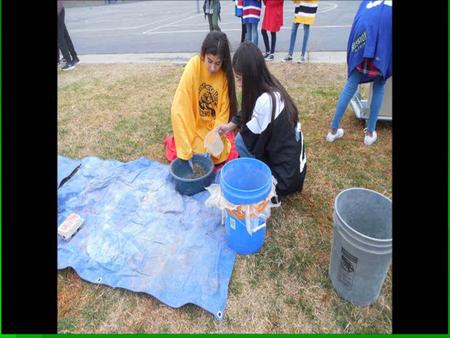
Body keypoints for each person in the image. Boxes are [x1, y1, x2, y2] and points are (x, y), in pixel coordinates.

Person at [217, 42, 307, 196]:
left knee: (239, 141)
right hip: (295, 170)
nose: (238, 84)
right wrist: (231, 125)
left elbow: (249, 142)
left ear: (251, 76)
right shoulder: (269, 84)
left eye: (239, 79)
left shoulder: (266, 102)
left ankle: (257, 180)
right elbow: (249, 109)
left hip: (284, 180)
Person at [326, 0, 392, 146]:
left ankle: (332, 130)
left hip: (362, 46)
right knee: (379, 85)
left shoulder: (367, 3)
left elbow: (358, 23)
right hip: (381, 48)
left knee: (351, 84)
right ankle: (370, 133)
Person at [170, 31, 238, 167]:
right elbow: (180, 106)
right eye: (209, 61)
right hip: (194, 127)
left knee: (216, 154)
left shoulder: (225, 75)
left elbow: (223, 113)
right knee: (192, 152)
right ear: (203, 55)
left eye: (217, 63)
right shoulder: (194, 65)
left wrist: (215, 137)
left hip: (213, 129)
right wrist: (185, 147)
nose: (213, 68)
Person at [58, 0, 79, 71]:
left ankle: (69, 62)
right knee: (65, 36)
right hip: (60, 9)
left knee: (60, 38)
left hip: (58, 11)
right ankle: (74, 58)